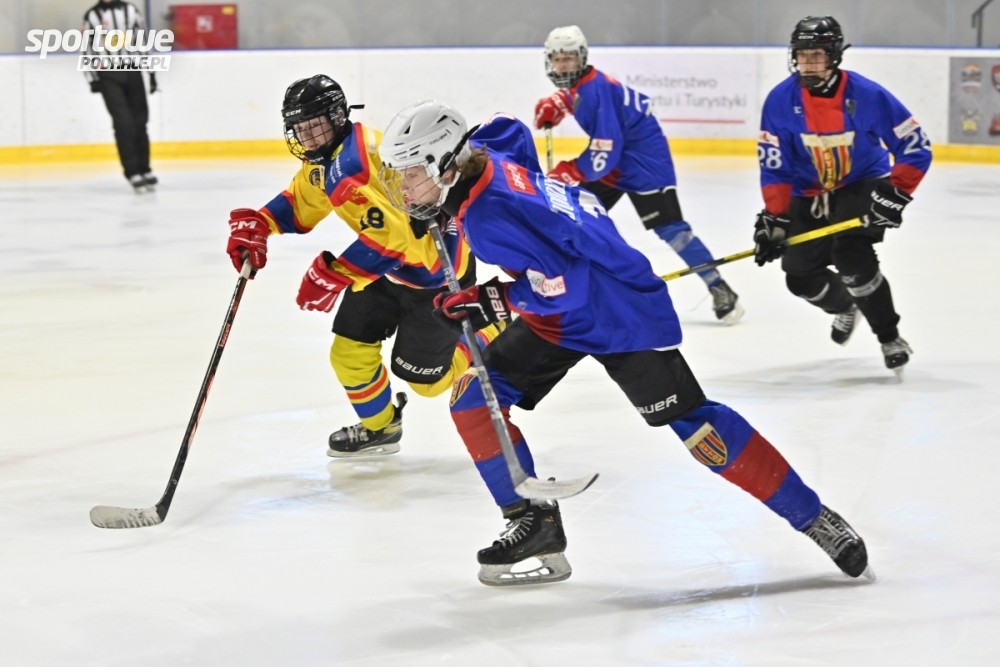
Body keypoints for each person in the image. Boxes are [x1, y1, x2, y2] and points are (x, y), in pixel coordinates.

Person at [378, 100, 873, 587]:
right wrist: (462, 211)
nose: (403, 186)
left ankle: (814, 517)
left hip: (617, 311)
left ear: (444, 163)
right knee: (473, 400)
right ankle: (534, 523)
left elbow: (563, 284)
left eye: (411, 174)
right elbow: (509, 127)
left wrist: (495, 299)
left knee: (698, 428)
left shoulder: (490, 218)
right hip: (564, 312)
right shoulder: (484, 152)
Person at [225, 75, 498, 457]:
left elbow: (396, 239)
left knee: (428, 383)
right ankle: (381, 427)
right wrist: (262, 223)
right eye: (299, 129)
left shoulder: (357, 165)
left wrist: (335, 275)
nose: (307, 137)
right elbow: (301, 202)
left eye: (314, 125)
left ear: (337, 116)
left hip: (433, 276)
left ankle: (494, 325)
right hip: (385, 268)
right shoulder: (328, 159)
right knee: (349, 352)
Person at [753, 16, 932, 373]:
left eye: (816, 56)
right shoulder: (780, 101)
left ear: (834, 56)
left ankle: (889, 337)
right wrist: (775, 217)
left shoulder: (867, 95)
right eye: (802, 56)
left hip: (860, 182)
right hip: (807, 190)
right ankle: (845, 307)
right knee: (799, 276)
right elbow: (775, 167)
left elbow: (916, 146)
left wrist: (895, 193)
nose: (808, 64)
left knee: (852, 255)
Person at [532, 25, 743, 325]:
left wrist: (571, 171)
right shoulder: (584, 86)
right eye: (558, 59)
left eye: (569, 58)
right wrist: (558, 104)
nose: (563, 65)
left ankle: (718, 286)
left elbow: (606, 148)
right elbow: (580, 105)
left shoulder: (596, 90)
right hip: (615, 163)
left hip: (645, 164)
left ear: (582, 58)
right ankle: (576, 290)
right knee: (576, 217)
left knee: (672, 230)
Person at [82, 0, 158, 193]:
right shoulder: (92, 15)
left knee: (140, 121)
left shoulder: (130, 10)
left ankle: (144, 168)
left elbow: (142, 40)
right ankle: (132, 171)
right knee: (123, 123)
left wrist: (151, 72)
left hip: (132, 70)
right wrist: (92, 77)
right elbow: (87, 47)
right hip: (108, 74)